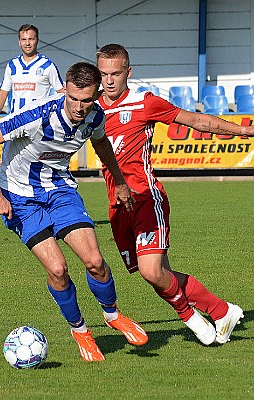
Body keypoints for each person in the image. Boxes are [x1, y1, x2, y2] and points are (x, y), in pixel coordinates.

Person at [0, 62, 148, 362]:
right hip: (21, 197)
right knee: (58, 269)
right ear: (65, 89)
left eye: (86, 100)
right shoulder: (38, 114)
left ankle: (112, 314)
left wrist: (119, 181)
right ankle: (80, 331)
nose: (79, 107)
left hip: (60, 190)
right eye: (74, 99)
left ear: (97, 95)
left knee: (95, 262)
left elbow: (101, 141)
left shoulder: (94, 116)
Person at [96, 43, 253, 346]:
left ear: (129, 72)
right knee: (158, 274)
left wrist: (243, 131)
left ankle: (194, 321)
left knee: (152, 270)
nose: (110, 81)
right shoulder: (91, 108)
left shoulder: (145, 103)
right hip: (117, 206)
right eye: (104, 74)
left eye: (116, 73)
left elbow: (196, 120)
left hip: (145, 198)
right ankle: (222, 312)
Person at [0, 24, 65, 124]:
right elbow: (3, 94)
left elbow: (61, 92)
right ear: (19, 42)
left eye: (31, 39)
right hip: (15, 122)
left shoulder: (47, 65)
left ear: (37, 41)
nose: (27, 43)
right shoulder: (12, 65)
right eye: (23, 39)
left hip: (38, 122)